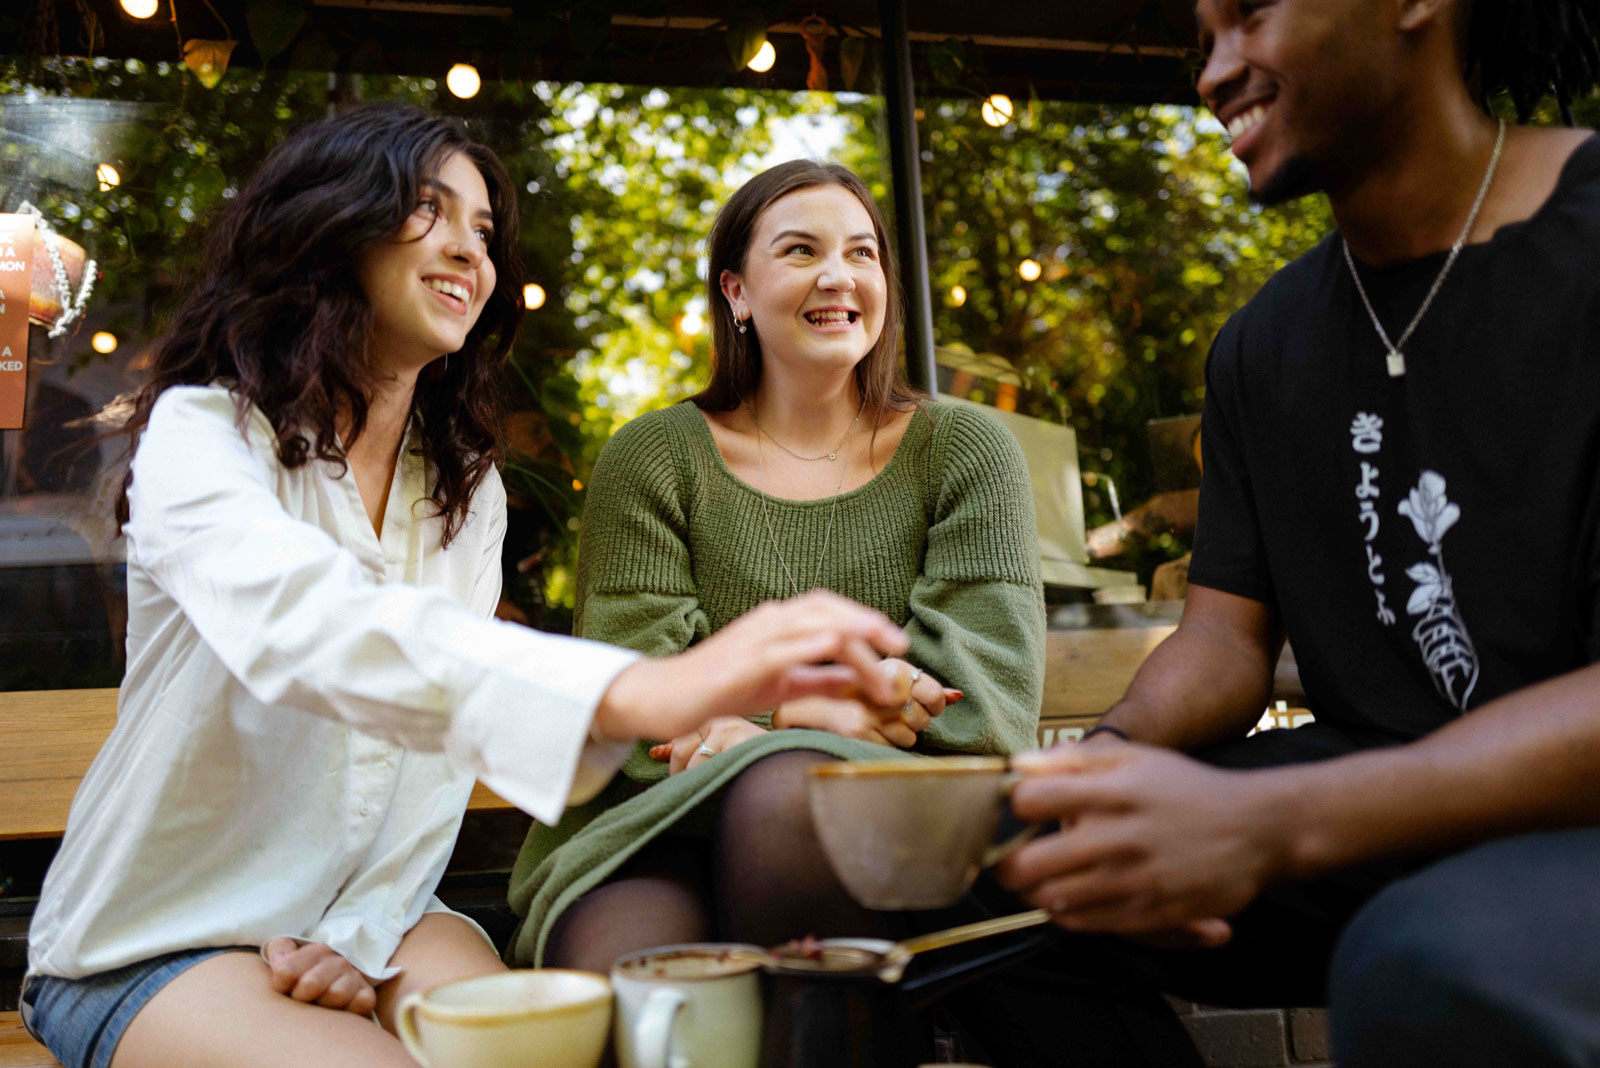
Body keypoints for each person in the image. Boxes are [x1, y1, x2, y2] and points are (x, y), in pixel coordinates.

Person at [19, 104, 911, 1068]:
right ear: (332, 229)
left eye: (483, 231)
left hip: (386, 912)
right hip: (162, 934)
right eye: (427, 211)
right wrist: (652, 689)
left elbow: (426, 775)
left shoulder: (462, 483)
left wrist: (357, 938)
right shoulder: (202, 434)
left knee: (567, 1052)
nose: (467, 251)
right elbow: (307, 626)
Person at [996, 1, 1600, 1065]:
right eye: (1202, 39)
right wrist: (1109, 761)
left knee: (1426, 962)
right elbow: (1225, 641)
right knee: (1008, 877)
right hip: (1366, 812)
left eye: (1251, 15)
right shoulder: (1261, 345)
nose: (1214, 73)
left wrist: (1285, 819)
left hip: (1564, 827)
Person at [506, 160, 1046, 973]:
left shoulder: (966, 452)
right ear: (736, 292)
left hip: (897, 829)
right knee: (633, 977)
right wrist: (817, 714)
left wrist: (770, 723)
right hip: (658, 824)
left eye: (863, 254)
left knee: (785, 805)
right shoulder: (653, 459)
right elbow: (648, 710)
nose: (839, 275)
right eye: (801, 251)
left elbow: (983, 711)